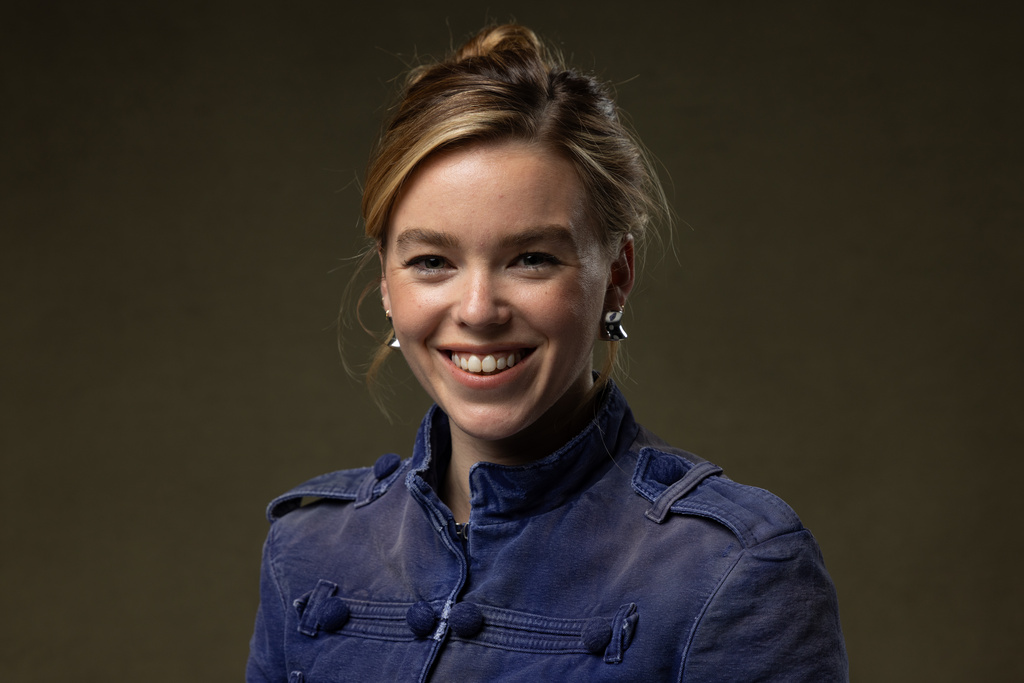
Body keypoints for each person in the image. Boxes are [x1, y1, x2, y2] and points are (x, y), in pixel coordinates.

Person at [247, 24, 848, 682]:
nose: (477, 309)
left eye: (531, 258)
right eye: (431, 261)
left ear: (617, 274)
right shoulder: (306, 553)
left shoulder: (734, 567)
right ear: (387, 283)